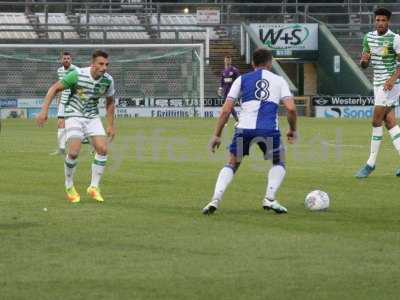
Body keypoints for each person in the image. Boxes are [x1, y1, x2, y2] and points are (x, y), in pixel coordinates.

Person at [203, 48, 297, 215]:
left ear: (253, 63)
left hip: (243, 129)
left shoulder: (241, 79)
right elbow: (291, 109)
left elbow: (226, 110)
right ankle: (269, 197)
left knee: (232, 163)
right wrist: (292, 130)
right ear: (270, 63)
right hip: (268, 130)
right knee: (279, 161)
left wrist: (217, 135)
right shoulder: (279, 80)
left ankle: (215, 199)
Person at [36, 50, 116, 203]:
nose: (104, 67)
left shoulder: (108, 80)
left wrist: (111, 125)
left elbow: (110, 102)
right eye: (101, 64)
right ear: (92, 64)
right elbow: (54, 89)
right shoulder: (77, 75)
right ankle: (69, 185)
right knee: (73, 152)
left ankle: (93, 187)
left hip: (92, 116)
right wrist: (44, 111)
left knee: (103, 149)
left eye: (106, 64)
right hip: (73, 114)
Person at [356, 8, 400, 178]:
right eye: (378, 20)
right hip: (378, 84)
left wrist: (391, 79)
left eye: (383, 20)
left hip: (391, 84)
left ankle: (370, 164)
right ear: (375, 21)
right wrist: (363, 61)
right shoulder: (369, 37)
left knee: (375, 121)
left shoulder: (395, 39)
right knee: (390, 123)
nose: (380, 23)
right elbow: (365, 63)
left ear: (388, 22)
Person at [51, 52, 78, 155]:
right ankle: (62, 149)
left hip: (73, 102)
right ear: (61, 60)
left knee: (77, 126)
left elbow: (78, 86)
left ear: (71, 60)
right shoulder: (60, 71)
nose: (66, 60)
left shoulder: (75, 70)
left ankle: (94, 145)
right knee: (60, 124)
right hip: (63, 102)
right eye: (64, 58)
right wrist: (58, 100)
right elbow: (60, 87)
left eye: (68, 58)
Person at [218, 55, 240, 122]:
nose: (227, 61)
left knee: (229, 106)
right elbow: (222, 81)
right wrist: (220, 89)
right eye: (226, 60)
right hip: (225, 91)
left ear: (230, 61)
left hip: (232, 91)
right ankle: (234, 120)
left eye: (229, 60)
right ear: (224, 61)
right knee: (228, 106)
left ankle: (234, 119)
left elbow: (238, 79)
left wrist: (238, 90)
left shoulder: (234, 70)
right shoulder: (223, 71)